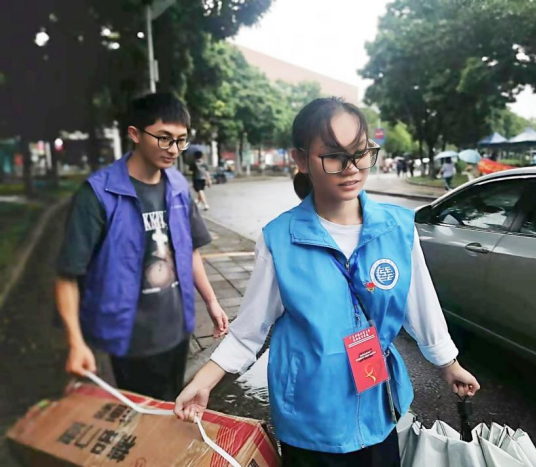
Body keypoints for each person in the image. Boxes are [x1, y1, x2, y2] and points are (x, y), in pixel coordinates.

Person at [174, 97, 479, 466]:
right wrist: (203, 382)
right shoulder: (279, 239)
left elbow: (421, 304)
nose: (351, 169)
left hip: (377, 405)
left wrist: (448, 364)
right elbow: (249, 331)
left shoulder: (397, 229)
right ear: (301, 159)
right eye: (334, 156)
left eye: (360, 153)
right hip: (308, 414)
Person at [55, 93, 229, 401]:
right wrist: (76, 343)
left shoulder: (178, 187)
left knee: (173, 406)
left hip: (178, 328)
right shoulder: (97, 195)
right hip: (130, 339)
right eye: (164, 138)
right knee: (142, 415)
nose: (173, 149)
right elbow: (68, 274)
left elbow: (190, 250)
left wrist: (212, 302)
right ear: (135, 134)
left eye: (181, 140)